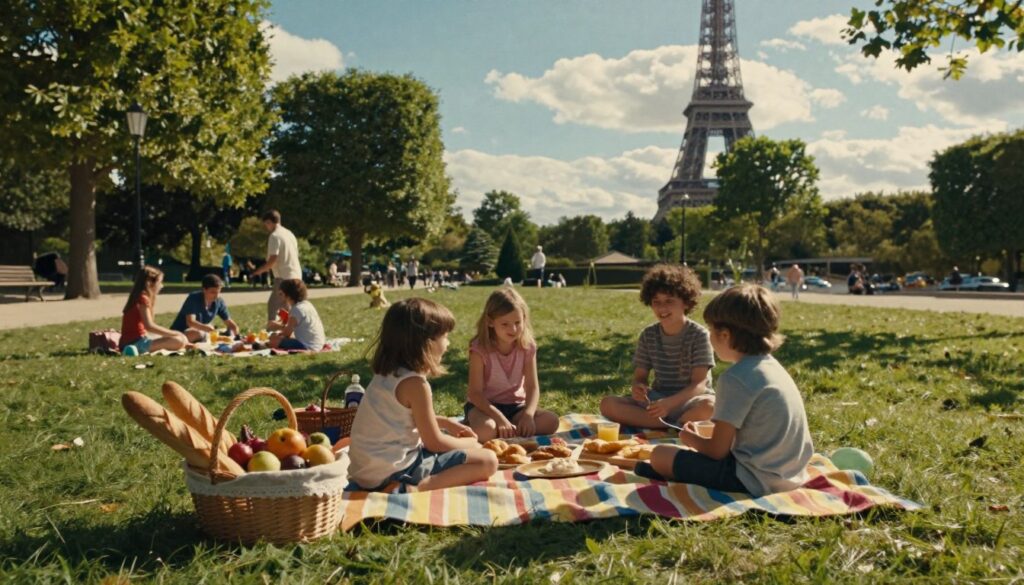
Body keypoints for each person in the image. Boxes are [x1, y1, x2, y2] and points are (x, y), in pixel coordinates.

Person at [637, 284, 814, 496]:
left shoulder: (735, 378)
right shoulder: (773, 367)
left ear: (724, 335)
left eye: (711, 330)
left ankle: (668, 473)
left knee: (660, 455)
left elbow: (716, 451)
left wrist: (688, 437)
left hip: (753, 479)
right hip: (792, 475)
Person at [347, 298, 498, 492]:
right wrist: (468, 443)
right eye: (445, 336)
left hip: (366, 472)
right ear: (426, 342)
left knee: (472, 451)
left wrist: (445, 422)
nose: (448, 343)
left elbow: (401, 419)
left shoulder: (386, 374)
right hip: (393, 471)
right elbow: (434, 443)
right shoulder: (416, 384)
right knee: (488, 460)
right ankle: (415, 488)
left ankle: (406, 483)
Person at [600, 264, 715, 429]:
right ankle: (673, 425)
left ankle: (665, 424)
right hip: (657, 400)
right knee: (607, 404)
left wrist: (669, 404)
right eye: (656, 301)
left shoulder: (699, 335)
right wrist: (638, 388)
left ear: (686, 302)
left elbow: (699, 384)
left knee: (710, 408)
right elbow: (640, 377)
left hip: (691, 401)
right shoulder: (648, 335)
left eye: (669, 301)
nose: (662, 308)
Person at [464, 288, 559, 441]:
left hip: (516, 407)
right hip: (484, 407)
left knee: (551, 421)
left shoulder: (527, 347)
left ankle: (509, 428)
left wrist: (528, 415)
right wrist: (499, 418)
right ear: (490, 322)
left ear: (524, 319)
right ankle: (483, 425)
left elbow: (532, 387)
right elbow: (475, 393)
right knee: (486, 430)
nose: (513, 329)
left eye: (517, 323)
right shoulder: (479, 349)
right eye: (505, 324)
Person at [119, 266, 189, 354]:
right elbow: (149, 326)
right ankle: (133, 350)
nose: (162, 286)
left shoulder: (138, 297)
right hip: (135, 343)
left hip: (133, 341)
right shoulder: (143, 298)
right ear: (150, 283)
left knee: (179, 339)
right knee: (179, 340)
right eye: (160, 282)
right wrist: (175, 333)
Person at [249, 210, 303, 325]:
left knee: (273, 305)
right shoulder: (290, 234)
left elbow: (273, 258)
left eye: (266, 224)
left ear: (269, 222)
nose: (266, 227)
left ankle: (271, 330)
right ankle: (289, 328)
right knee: (287, 306)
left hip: (284, 276)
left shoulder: (274, 236)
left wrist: (259, 271)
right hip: (296, 274)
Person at [170, 274, 240, 343]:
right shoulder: (193, 298)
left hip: (202, 331)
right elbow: (190, 322)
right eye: (213, 292)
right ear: (204, 290)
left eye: (218, 292)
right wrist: (208, 329)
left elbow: (229, 322)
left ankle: (205, 337)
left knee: (227, 331)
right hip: (181, 332)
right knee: (199, 333)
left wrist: (236, 332)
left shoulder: (219, 301)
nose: (216, 296)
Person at [266, 279, 325, 351]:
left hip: (308, 346)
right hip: (318, 343)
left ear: (288, 295)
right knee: (278, 337)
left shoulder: (296, 309)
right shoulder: (307, 304)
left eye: (281, 294)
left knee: (274, 340)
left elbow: (287, 333)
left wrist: (277, 327)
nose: (279, 296)